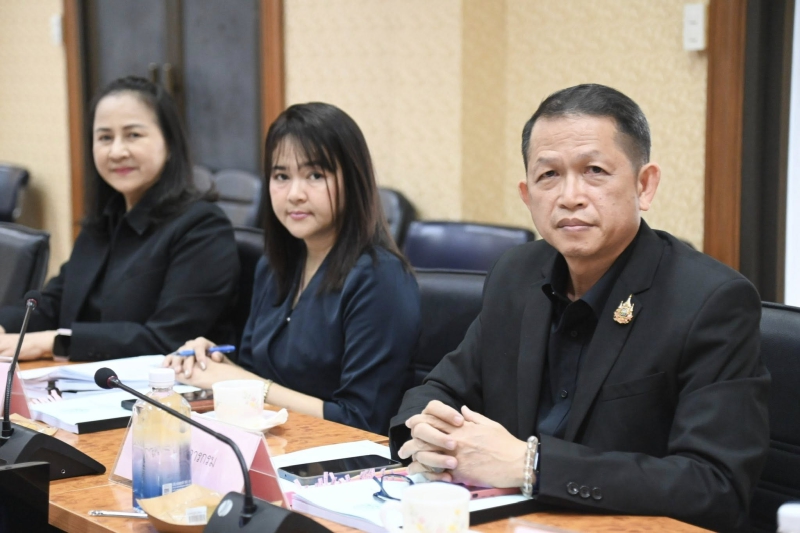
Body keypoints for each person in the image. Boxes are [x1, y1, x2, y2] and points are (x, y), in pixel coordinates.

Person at [390, 84, 769, 532]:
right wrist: (428, 434)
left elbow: (715, 486)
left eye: (594, 171)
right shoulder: (516, 273)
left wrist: (530, 465)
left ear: (644, 185)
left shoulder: (711, 300)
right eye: (549, 175)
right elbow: (440, 389)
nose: (570, 196)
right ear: (527, 195)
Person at [164, 102, 420, 435]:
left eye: (315, 175)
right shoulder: (275, 265)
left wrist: (242, 382)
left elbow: (362, 420)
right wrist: (215, 365)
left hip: (344, 456)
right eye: (281, 176)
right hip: (274, 444)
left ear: (353, 180)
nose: (295, 194)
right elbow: (256, 373)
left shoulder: (381, 278)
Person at [0, 76, 238, 362]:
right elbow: (54, 304)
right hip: (83, 377)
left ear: (170, 143)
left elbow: (167, 339)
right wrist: (5, 326)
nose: (116, 152)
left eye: (133, 135)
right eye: (105, 138)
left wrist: (52, 342)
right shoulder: (105, 218)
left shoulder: (202, 227)